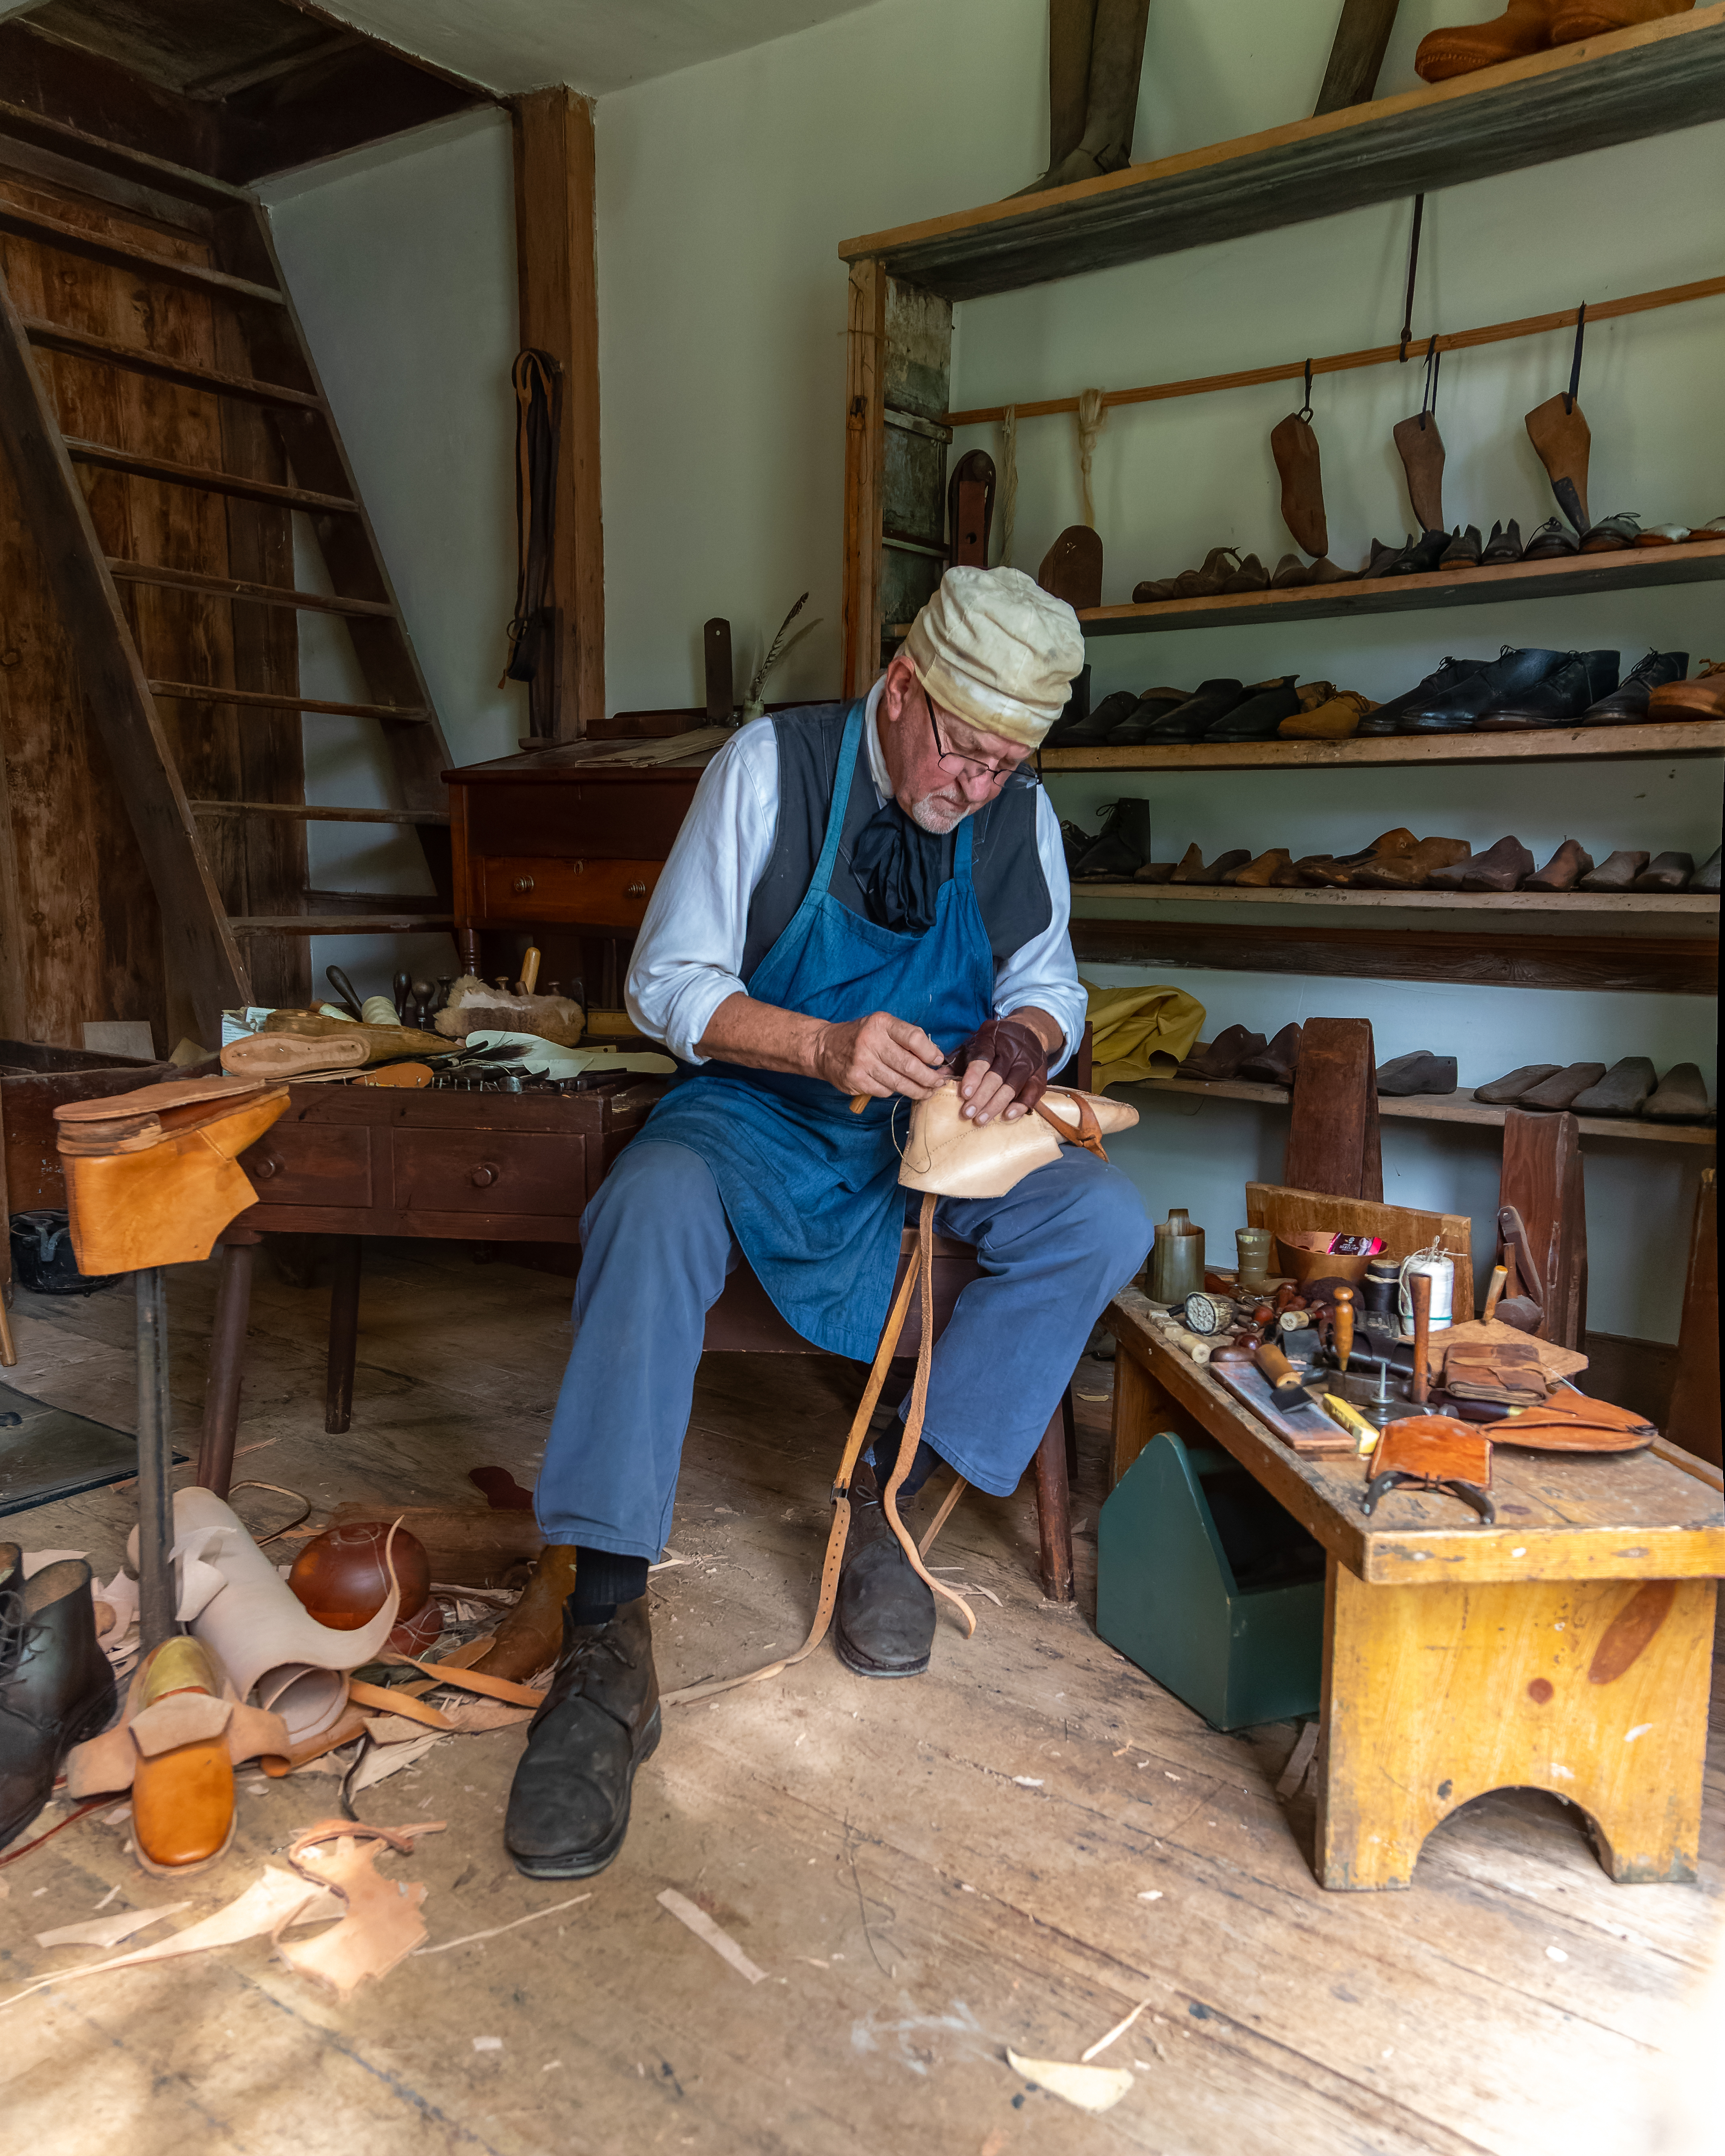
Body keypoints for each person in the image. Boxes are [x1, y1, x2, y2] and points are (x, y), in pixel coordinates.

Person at [504, 565, 1151, 1879]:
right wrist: (820, 1043)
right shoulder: (771, 767)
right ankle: (608, 1633)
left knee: (1101, 1221)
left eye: (1008, 763)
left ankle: (895, 1511)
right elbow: (666, 984)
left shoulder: (1018, 812)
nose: (979, 788)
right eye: (966, 753)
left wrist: (1023, 1043)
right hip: (758, 1117)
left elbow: (1049, 984)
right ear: (903, 690)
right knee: (647, 1205)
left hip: (922, 1144)